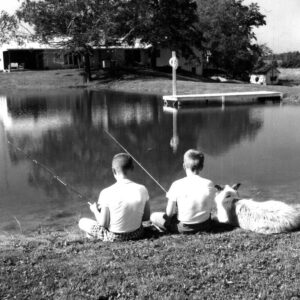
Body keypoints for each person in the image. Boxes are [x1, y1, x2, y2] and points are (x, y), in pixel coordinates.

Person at [79, 153, 150, 241]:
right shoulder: (142, 189)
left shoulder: (106, 192)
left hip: (115, 237)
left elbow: (103, 223)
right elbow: (146, 217)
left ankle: (92, 236)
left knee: (82, 222)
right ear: (132, 168)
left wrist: (95, 211)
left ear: (113, 171)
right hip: (138, 234)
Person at [150, 149, 214, 234]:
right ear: (201, 167)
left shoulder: (176, 184)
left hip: (184, 228)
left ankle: (164, 229)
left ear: (184, 166)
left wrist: (172, 198)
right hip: (206, 225)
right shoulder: (209, 183)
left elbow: (169, 214)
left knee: (153, 216)